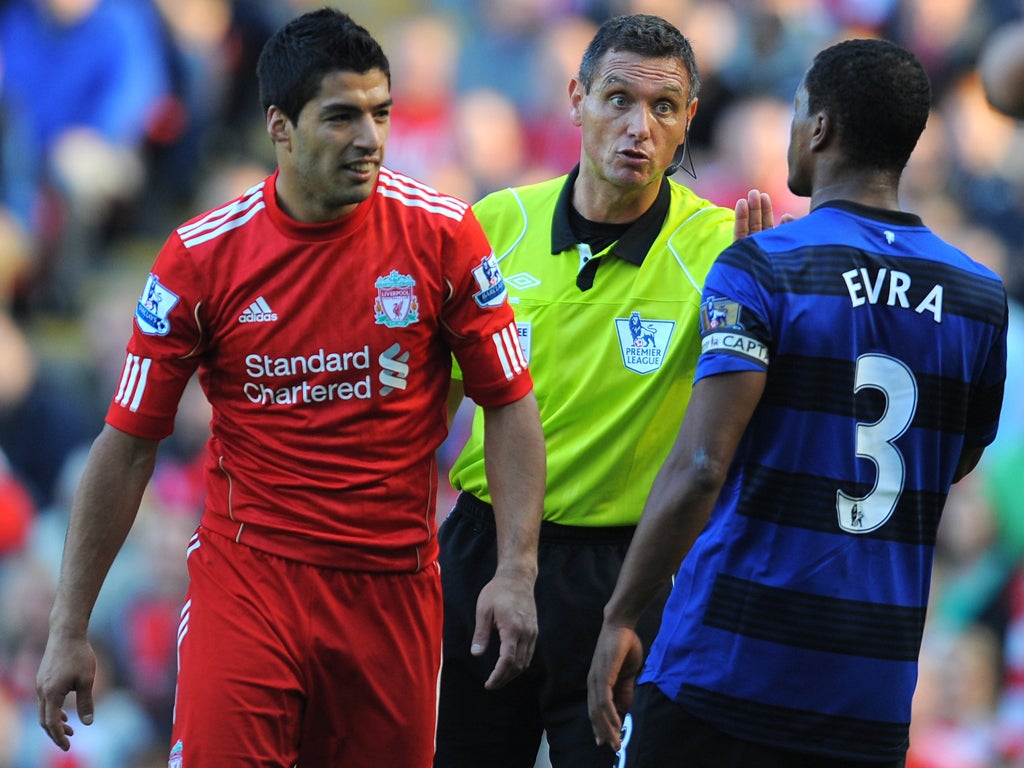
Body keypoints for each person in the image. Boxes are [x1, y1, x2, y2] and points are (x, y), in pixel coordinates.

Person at [34, 8, 545, 768]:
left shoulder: (443, 236)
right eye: (342, 117)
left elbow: (508, 402)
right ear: (279, 125)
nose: (370, 138)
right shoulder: (200, 260)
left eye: (381, 114)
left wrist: (516, 570)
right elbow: (128, 443)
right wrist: (69, 625)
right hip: (251, 581)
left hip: (392, 589)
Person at [587, 37, 1009, 768]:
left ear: (820, 128)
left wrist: (622, 613)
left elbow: (699, 466)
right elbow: (953, 456)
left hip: (731, 663)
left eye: (795, 111)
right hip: (871, 687)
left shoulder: (765, 266)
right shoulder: (980, 296)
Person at [435, 14, 779, 767]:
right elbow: (432, 406)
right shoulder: (494, 225)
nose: (639, 127)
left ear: (690, 120)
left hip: (627, 573)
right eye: (618, 99)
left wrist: (767, 307)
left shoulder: (723, 249)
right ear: (576, 99)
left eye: (663, 109)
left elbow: (751, 424)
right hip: (484, 556)